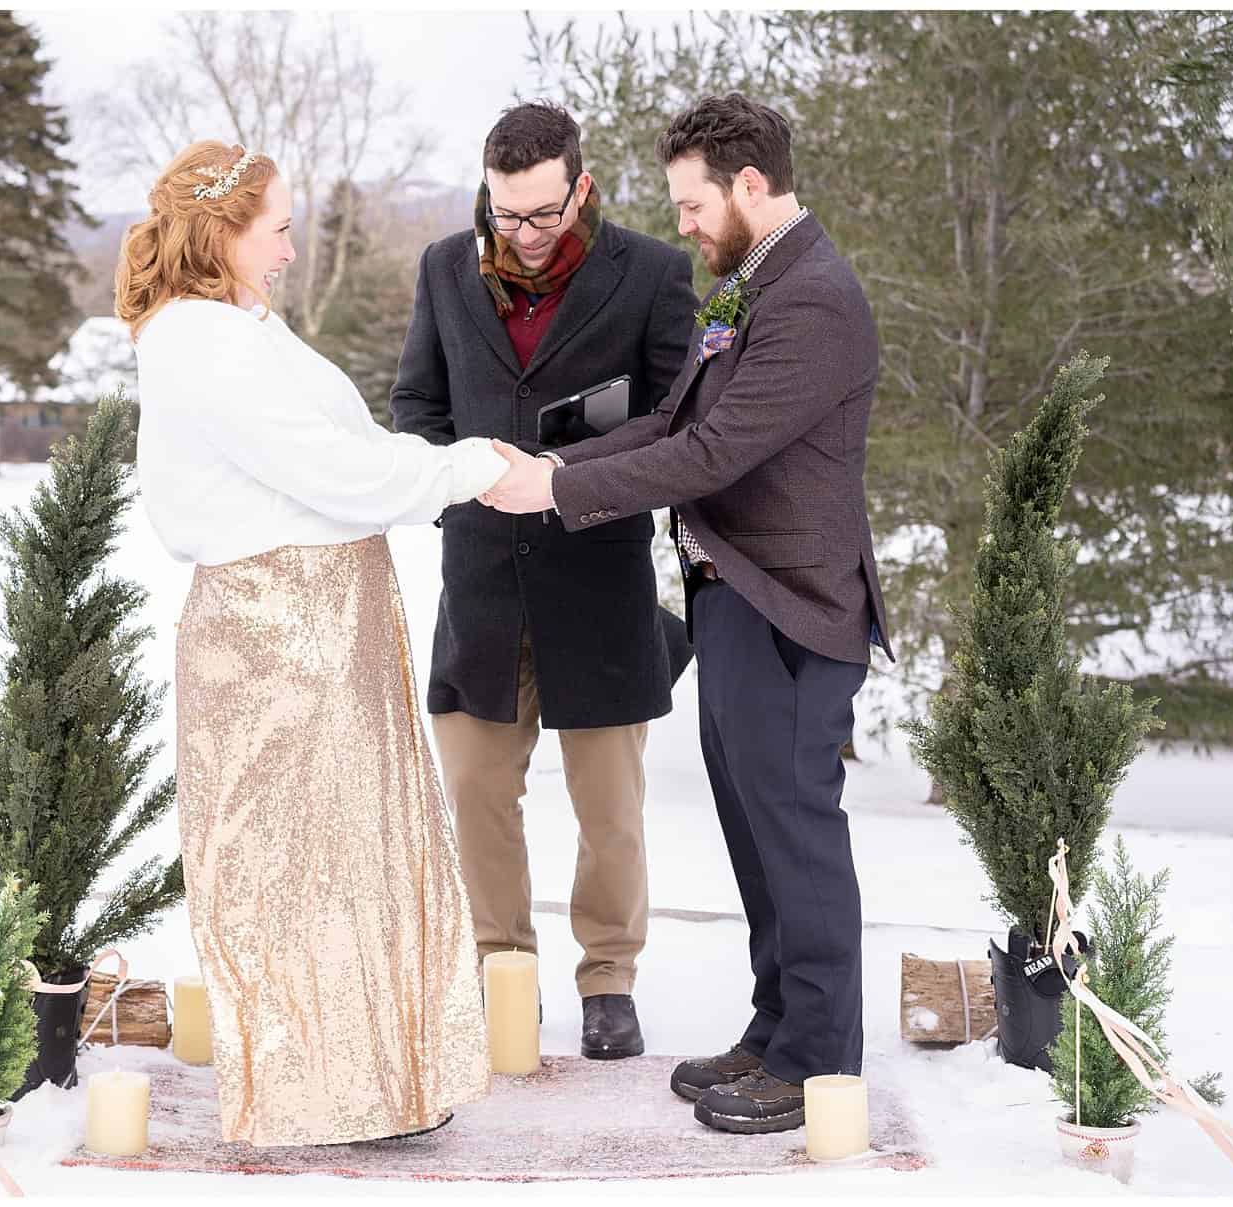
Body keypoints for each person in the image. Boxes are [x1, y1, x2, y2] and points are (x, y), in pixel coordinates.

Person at [481, 94, 895, 1135]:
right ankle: (775, 1027)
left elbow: (714, 457)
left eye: (692, 203)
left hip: (794, 609)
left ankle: (815, 1060)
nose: (683, 225)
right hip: (735, 602)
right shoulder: (754, 284)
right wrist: (554, 463)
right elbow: (673, 418)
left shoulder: (814, 300)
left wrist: (559, 498)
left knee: (797, 837)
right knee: (756, 837)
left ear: (750, 186)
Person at [121, 140, 505, 1146]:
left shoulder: (243, 331)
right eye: (280, 230)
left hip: (320, 621)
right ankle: (311, 1092)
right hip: (276, 630)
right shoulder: (204, 344)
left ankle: (378, 1078)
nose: (293, 249)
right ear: (224, 235)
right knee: (293, 862)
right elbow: (330, 473)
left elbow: (351, 456)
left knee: (351, 852)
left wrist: (448, 463)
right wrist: (464, 472)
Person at [391, 101, 699, 1060]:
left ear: (581, 189)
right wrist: (464, 477)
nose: (521, 236)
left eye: (540, 214)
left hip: (599, 586)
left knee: (610, 810)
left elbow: (680, 424)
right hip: (478, 582)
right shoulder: (445, 267)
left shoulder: (653, 273)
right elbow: (414, 404)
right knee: (479, 792)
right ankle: (501, 971)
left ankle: (609, 977)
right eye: (503, 213)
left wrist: (571, 478)